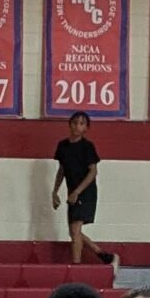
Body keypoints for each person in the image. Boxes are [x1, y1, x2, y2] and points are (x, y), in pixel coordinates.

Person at [51, 111, 113, 266]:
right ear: (69, 124)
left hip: (85, 192)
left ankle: (76, 265)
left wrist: (77, 192)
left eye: (81, 123)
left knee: (75, 229)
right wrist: (55, 191)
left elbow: (93, 171)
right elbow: (62, 170)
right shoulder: (63, 146)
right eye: (74, 122)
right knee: (73, 231)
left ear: (86, 128)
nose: (77, 126)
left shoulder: (87, 147)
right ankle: (101, 254)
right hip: (72, 193)